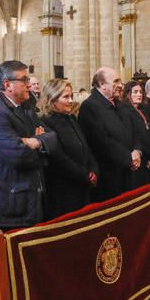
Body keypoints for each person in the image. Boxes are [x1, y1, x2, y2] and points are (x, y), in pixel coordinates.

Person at [0, 60, 58, 230]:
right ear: (8, 85)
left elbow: (52, 136)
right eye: (24, 80)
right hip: (7, 205)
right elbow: (18, 155)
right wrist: (41, 147)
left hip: (28, 199)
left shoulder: (25, 106)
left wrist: (35, 141)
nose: (29, 85)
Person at [78, 67, 141, 202]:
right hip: (109, 175)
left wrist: (137, 151)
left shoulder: (120, 104)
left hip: (128, 170)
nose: (120, 85)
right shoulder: (89, 107)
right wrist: (128, 158)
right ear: (101, 84)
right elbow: (101, 142)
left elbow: (135, 130)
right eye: (116, 81)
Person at [38, 79, 98, 219]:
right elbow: (58, 158)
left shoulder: (71, 119)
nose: (71, 101)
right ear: (52, 99)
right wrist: (84, 175)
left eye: (71, 96)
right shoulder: (46, 122)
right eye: (65, 97)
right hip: (63, 189)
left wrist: (94, 170)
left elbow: (85, 147)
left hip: (82, 185)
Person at [121, 81, 150, 188]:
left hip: (149, 157)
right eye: (135, 92)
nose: (139, 95)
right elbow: (132, 137)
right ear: (128, 94)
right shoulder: (125, 111)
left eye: (141, 92)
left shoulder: (142, 110)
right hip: (139, 159)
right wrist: (148, 155)